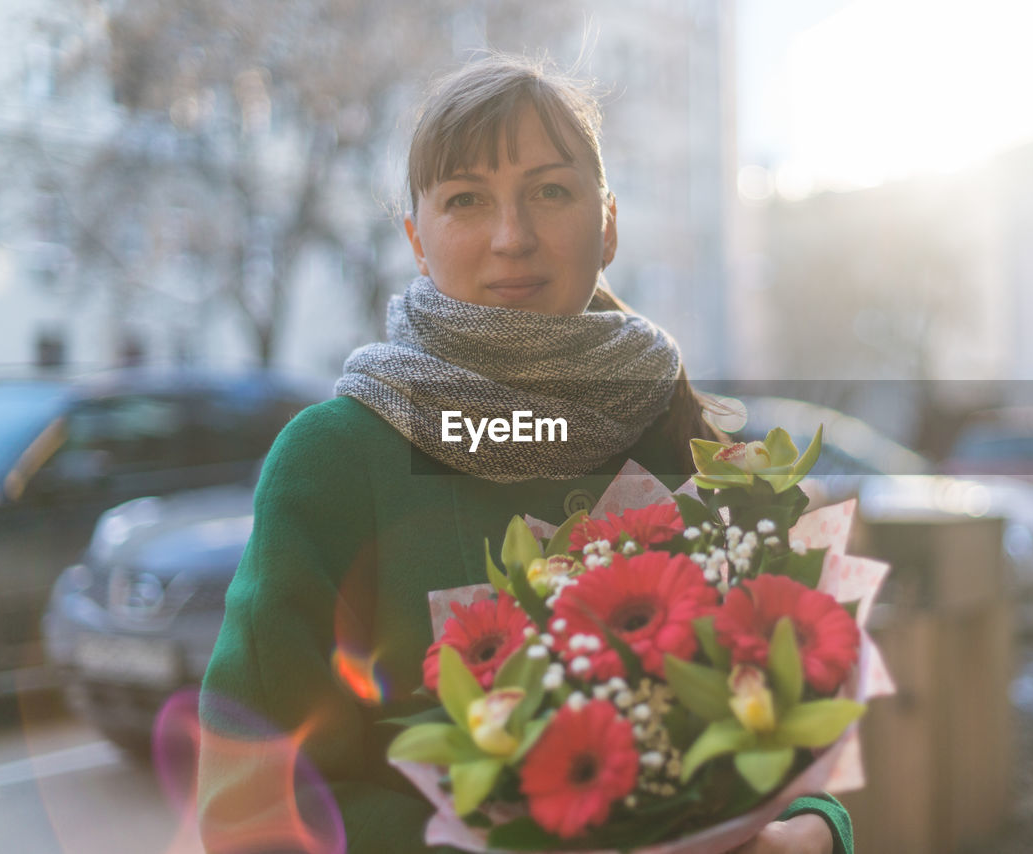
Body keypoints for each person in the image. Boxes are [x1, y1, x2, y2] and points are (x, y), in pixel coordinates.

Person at [196, 53, 852, 854]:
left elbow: (794, 748)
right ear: (416, 239)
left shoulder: (684, 433)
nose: (514, 237)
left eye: (550, 191)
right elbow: (254, 805)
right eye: (467, 199)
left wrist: (812, 836)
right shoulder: (336, 460)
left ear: (607, 223)